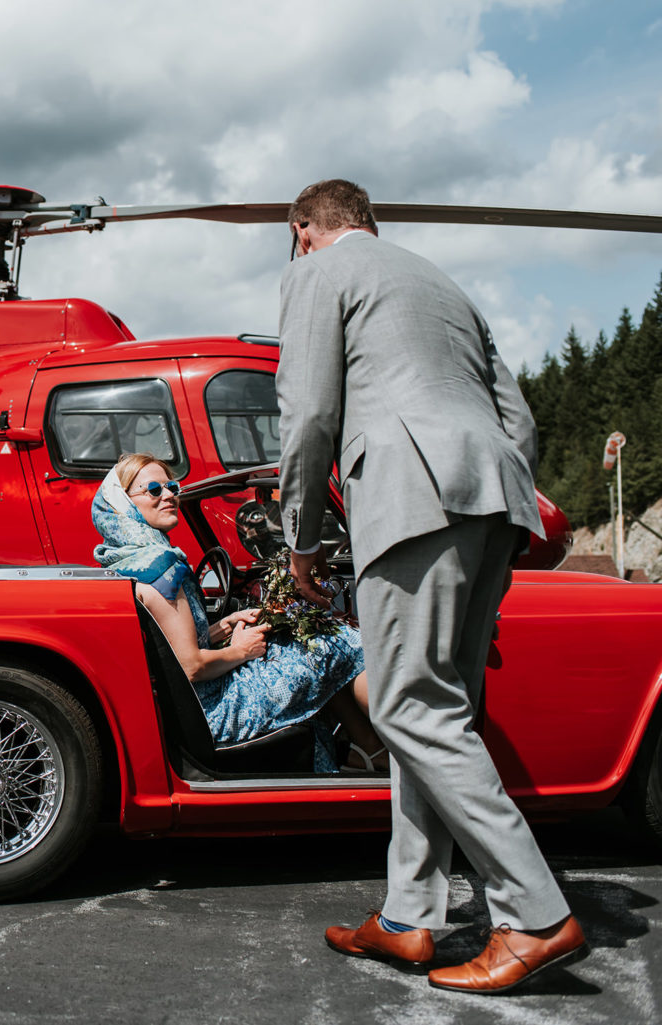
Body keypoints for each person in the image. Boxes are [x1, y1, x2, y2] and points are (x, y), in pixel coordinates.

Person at [278, 179, 586, 993]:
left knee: (409, 706)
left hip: (411, 498)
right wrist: (502, 498)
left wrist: (301, 536)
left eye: (294, 238)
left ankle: (535, 913)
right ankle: (411, 915)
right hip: (493, 500)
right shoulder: (441, 282)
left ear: (305, 229)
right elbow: (515, 417)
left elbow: (307, 411)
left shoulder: (318, 272)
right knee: (439, 705)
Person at [93, 452, 382, 773]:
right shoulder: (163, 566)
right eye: (154, 490)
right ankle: (406, 738)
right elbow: (191, 667)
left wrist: (223, 627)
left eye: (172, 486)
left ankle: (366, 749)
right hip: (219, 713)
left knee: (314, 647)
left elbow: (168, 646)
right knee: (340, 641)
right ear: (123, 504)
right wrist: (241, 650)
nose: (170, 495)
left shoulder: (122, 561)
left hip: (191, 709)